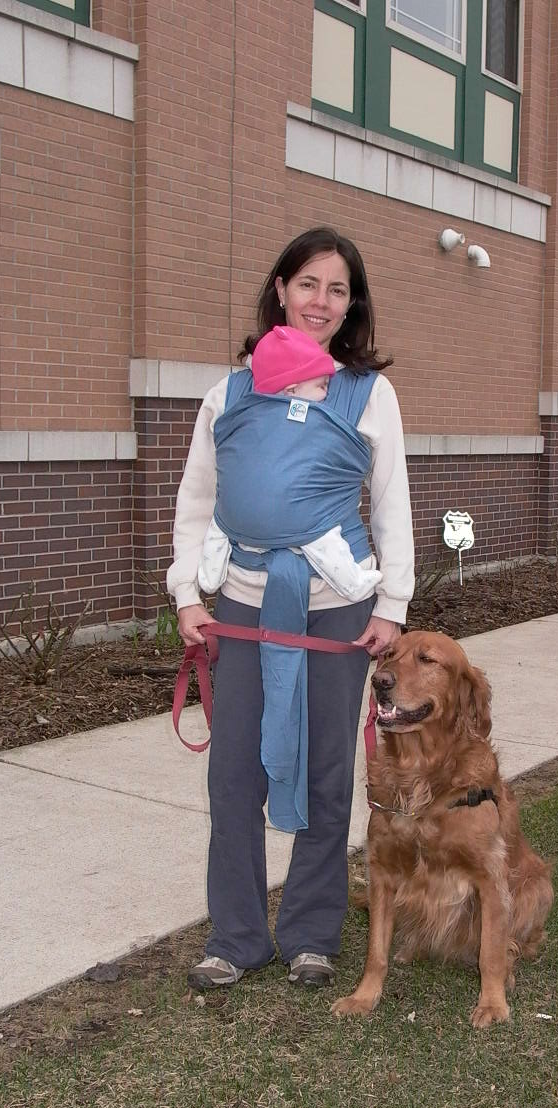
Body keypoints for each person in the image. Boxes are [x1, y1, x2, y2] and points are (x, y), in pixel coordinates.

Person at [168, 226, 414, 990]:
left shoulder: (368, 394)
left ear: (351, 304)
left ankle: (310, 933)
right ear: (280, 289)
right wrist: (187, 592)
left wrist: (392, 603)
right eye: (308, 283)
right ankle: (237, 936)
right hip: (242, 604)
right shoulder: (231, 391)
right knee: (233, 774)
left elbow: (392, 505)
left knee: (329, 770)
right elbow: (197, 498)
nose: (321, 301)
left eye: (337, 289)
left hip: (337, 608)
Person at [196, 323, 383, 603]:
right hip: (305, 521)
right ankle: (352, 582)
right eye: (321, 386)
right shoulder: (305, 417)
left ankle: (209, 575)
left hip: (235, 518)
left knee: (218, 529)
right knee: (327, 542)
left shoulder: (241, 410)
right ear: (292, 390)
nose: (326, 394)